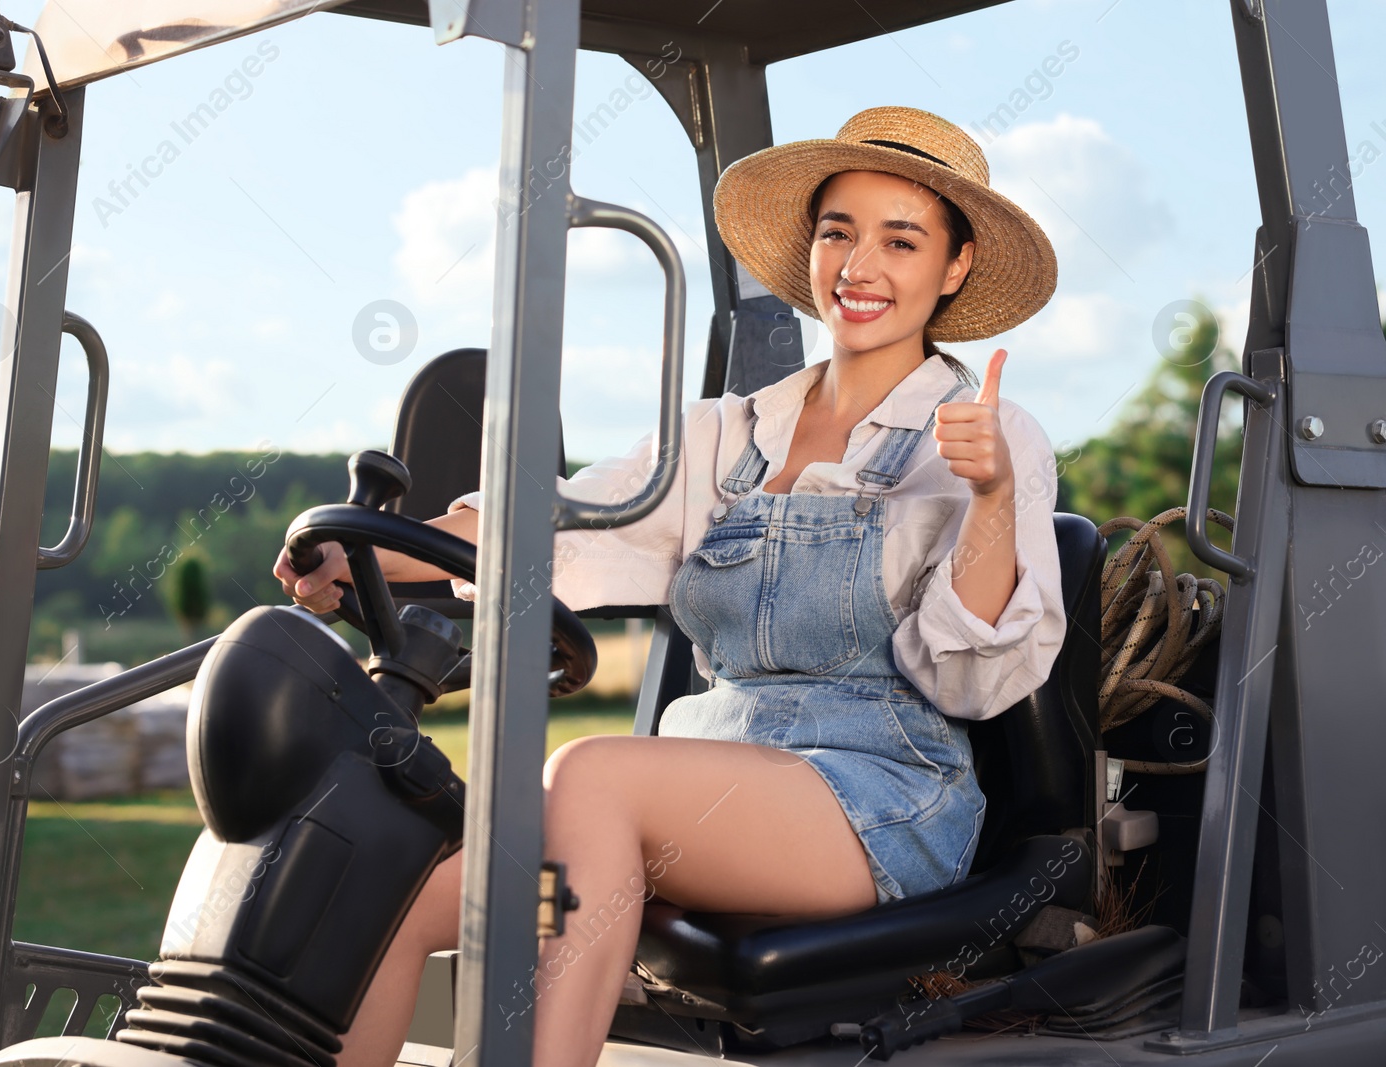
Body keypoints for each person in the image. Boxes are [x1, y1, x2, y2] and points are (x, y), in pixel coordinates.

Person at [274, 105, 1066, 1067]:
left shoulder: (990, 435)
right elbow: (548, 520)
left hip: (876, 798)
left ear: (954, 267)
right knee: (390, 883)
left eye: (902, 240)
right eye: (838, 232)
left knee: (595, 774)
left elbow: (970, 677)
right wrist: (368, 550)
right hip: (700, 783)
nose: (860, 266)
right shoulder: (724, 433)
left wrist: (988, 494)